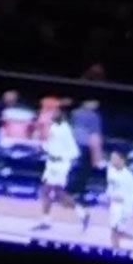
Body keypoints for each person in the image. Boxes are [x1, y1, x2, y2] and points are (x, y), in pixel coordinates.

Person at [35, 98, 82, 232]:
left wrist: (63, 159)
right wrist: (43, 147)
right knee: (59, 194)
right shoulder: (54, 127)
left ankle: (46, 221)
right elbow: (51, 145)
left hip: (60, 164)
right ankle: (82, 213)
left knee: (46, 191)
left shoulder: (65, 129)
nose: (52, 114)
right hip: (51, 162)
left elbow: (74, 151)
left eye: (55, 112)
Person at [103, 149, 133, 255]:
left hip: (124, 208)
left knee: (114, 232)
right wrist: (108, 197)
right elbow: (111, 186)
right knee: (117, 232)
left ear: (122, 161)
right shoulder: (110, 169)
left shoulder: (129, 176)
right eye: (111, 158)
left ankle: (116, 252)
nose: (112, 160)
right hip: (114, 205)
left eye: (115, 158)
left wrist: (124, 200)